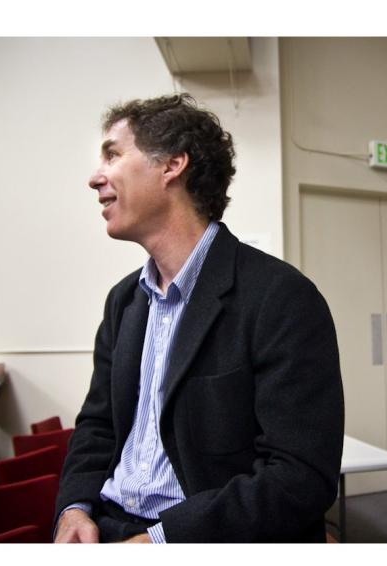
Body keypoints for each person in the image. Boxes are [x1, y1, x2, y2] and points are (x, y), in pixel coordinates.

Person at [53, 94, 344, 543]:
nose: (96, 178)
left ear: (172, 165)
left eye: (113, 154)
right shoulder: (124, 301)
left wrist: (159, 543)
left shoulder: (281, 297)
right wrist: (74, 509)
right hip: (108, 529)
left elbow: (299, 475)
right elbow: (98, 427)